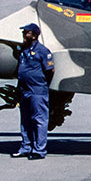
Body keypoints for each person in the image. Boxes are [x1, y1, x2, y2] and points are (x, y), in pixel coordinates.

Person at [15, 23, 55, 160]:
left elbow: (50, 71)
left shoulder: (43, 51)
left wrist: (41, 84)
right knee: (25, 119)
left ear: (33, 35)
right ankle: (26, 147)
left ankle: (39, 149)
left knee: (39, 119)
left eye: (26, 33)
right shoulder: (24, 50)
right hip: (24, 89)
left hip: (37, 90)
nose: (23, 35)